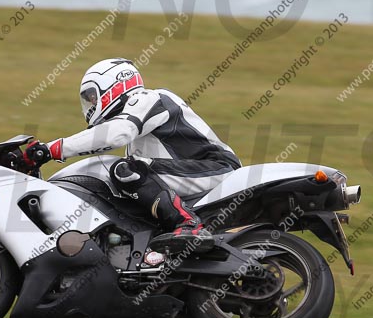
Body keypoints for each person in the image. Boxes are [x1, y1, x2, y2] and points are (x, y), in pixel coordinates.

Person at [25, 58, 241, 253]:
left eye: (92, 97)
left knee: (126, 170)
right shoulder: (136, 129)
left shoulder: (149, 98)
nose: (90, 105)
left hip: (216, 167)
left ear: (114, 84)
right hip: (192, 174)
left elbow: (114, 135)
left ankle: (189, 225)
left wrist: (52, 149)